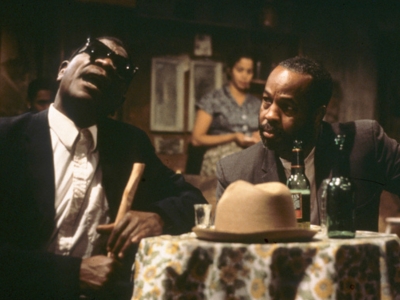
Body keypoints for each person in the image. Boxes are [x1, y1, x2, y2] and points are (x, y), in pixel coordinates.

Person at [0, 36, 207, 300]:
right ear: (62, 69)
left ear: (119, 99)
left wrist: (158, 218)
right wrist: (72, 275)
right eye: (94, 51)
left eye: (121, 68)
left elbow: (194, 202)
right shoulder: (7, 138)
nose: (107, 62)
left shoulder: (130, 143)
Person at [216, 56, 400, 232]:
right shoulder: (235, 172)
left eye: (288, 107)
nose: (269, 114)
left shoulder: (364, 143)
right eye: (266, 101)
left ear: (318, 115)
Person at [191, 51, 261, 176]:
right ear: (229, 70)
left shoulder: (257, 104)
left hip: (251, 160)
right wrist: (233, 137)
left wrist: (260, 136)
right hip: (220, 159)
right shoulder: (213, 99)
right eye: (240, 70)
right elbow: (196, 139)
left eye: (249, 72)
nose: (244, 76)